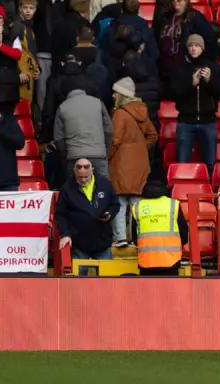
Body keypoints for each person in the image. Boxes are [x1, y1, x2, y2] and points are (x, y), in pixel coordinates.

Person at [108, 77, 158, 247]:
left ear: (122, 95)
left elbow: (114, 140)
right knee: (137, 203)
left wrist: (106, 157)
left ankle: (121, 238)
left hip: (121, 162)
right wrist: (140, 148)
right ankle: (140, 237)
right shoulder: (141, 111)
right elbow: (153, 135)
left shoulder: (120, 113)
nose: (113, 96)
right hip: (140, 163)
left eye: (116, 93)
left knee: (120, 202)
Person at [170, 34, 220, 172]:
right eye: (191, 46)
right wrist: (191, 84)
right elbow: (173, 93)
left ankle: (210, 190)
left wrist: (209, 81)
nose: (193, 49)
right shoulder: (179, 69)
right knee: (182, 164)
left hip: (208, 121)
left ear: (203, 48)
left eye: (197, 46)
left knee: (210, 164)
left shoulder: (214, 68)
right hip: (186, 121)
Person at [56, 158, 120, 272]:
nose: (83, 178)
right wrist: (65, 234)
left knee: (107, 282)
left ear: (92, 170)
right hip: (79, 243)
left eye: (86, 168)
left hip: (102, 242)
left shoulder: (105, 184)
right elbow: (61, 214)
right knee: (79, 283)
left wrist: (110, 214)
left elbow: (115, 204)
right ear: (74, 171)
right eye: (80, 174)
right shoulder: (66, 188)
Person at [157, 0, 216, 93]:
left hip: (186, 69)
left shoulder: (195, 17)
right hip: (165, 69)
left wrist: (203, 62)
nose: (175, 1)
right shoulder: (166, 17)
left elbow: (210, 40)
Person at [54, 79, 113, 178]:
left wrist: (66, 155)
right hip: (98, 155)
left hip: (74, 156)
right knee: (103, 188)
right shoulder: (98, 103)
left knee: (75, 191)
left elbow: (58, 138)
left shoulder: (62, 107)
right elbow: (109, 130)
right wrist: (104, 151)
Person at [131, 179, 189, 275]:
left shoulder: (137, 207)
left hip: (146, 262)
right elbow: (184, 235)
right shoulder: (173, 205)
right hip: (171, 262)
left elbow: (135, 239)